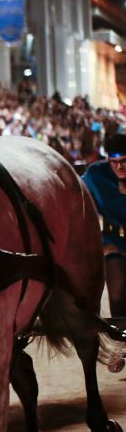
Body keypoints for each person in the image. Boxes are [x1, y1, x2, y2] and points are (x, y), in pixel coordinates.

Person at [83, 133, 126, 331]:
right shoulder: (96, 174)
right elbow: (75, 194)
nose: (119, 167)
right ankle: (120, 343)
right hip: (113, 241)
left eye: (124, 161)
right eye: (113, 162)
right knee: (117, 294)